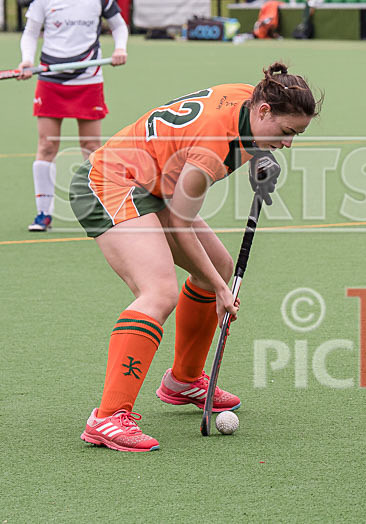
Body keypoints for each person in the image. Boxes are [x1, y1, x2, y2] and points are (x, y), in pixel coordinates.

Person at [69, 63, 321, 452]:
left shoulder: (249, 96)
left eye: (296, 136)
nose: (288, 144)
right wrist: (222, 290)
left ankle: (183, 380)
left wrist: (260, 157)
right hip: (111, 183)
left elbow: (237, 140)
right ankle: (107, 417)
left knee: (217, 266)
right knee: (159, 292)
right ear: (265, 111)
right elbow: (180, 225)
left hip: (153, 183)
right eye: (287, 133)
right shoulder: (211, 150)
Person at [17, 0, 129, 232]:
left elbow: (119, 25)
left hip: (88, 79)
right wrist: (27, 60)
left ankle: (99, 207)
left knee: (91, 146)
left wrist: (120, 48)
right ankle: (43, 214)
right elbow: (31, 32)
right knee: (47, 146)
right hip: (50, 80)